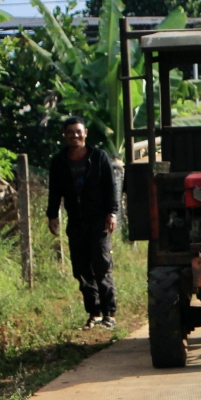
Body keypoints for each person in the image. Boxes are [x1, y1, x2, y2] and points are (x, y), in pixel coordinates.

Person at [46, 116, 120, 330]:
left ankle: (109, 313)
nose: (75, 135)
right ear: (65, 135)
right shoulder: (59, 161)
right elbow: (54, 191)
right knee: (81, 268)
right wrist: (52, 215)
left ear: (85, 133)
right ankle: (94, 312)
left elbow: (110, 187)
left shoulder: (98, 157)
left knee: (102, 266)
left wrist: (111, 213)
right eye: (70, 132)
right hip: (75, 222)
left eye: (78, 131)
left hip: (98, 221)